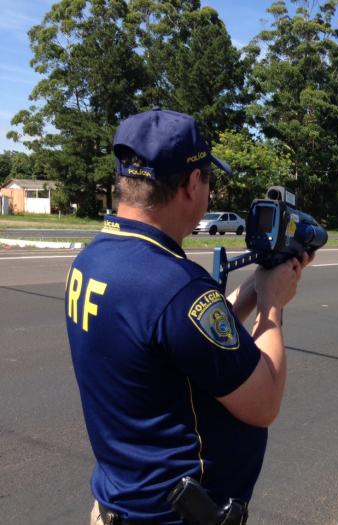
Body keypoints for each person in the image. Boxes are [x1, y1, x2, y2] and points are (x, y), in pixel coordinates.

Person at [65, 108, 311, 524]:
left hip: (118, 504)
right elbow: (264, 402)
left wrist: (253, 289)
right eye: (209, 180)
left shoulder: (93, 260)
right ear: (192, 183)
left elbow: (178, 341)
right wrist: (273, 308)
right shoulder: (174, 285)